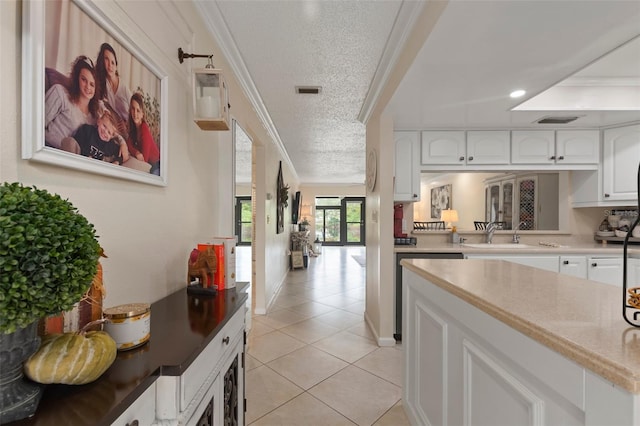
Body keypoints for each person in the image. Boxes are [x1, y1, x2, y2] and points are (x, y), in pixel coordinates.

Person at [44, 56, 98, 149]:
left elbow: (111, 130)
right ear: (77, 78)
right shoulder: (60, 93)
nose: (88, 87)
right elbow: (37, 124)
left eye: (92, 84)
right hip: (49, 148)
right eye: (84, 80)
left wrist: (122, 143)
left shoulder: (94, 118)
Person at [61, 108, 129, 165]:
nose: (105, 132)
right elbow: (78, 141)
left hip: (95, 168)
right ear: (99, 121)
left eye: (109, 132)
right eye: (104, 126)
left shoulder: (111, 145)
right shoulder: (87, 130)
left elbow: (120, 156)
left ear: (112, 136)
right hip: (78, 159)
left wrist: (117, 162)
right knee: (69, 141)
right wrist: (86, 156)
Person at [96, 42, 132, 122]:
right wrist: (105, 111)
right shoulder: (104, 82)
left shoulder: (124, 87)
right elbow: (99, 101)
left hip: (130, 127)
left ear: (116, 66)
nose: (110, 65)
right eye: (106, 60)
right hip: (116, 126)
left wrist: (127, 125)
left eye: (113, 62)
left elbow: (135, 111)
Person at [126, 92, 160, 175]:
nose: (135, 113)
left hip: (156, 165)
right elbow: (129, 144)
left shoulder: (144, 129)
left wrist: (137, 154)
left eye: (138, 110)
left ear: (142, 114)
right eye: (133, 109)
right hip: (148, 165)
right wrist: (136, 152)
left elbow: (144, 159)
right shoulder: (133, 128)